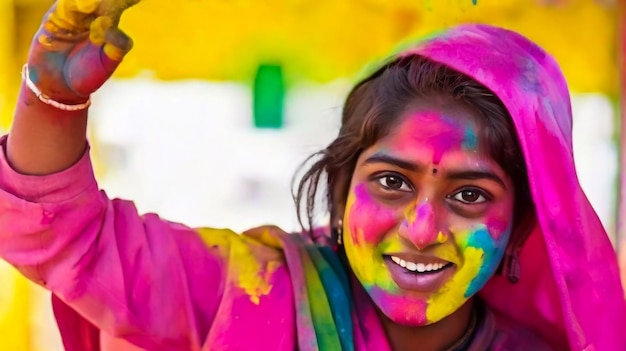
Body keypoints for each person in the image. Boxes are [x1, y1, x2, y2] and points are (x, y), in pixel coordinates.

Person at [1, 0, 625, 350]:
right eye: (392, 182)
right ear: (341, 185)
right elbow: (70, 240)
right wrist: (51, 99)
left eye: (468, 194)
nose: (422, 228)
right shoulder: (244, 290)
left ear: (518, 229)